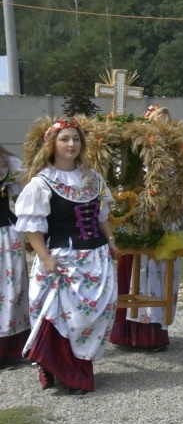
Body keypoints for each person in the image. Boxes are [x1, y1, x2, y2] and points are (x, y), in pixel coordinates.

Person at [15, 117, 118, 394]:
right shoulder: (42, 182)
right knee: (63, 315)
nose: (71, 144)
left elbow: (101, 215)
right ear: (52, 144)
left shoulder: (92, 177)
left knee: (93, 316)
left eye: (75, 139)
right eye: (65, 139)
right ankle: (65, 372)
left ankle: (78, 368)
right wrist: (46, 257)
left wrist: (111, 241)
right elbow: (33, 228)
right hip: (62, 259)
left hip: (96, 257)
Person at [110, 104, 182, 352]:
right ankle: (129, 332)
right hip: (138, 216)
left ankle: (153, 332)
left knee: (159, 274)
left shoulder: (172, 158)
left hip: (162, 219)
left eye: (164, 125)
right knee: (135, 273)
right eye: (155, 125)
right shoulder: (137, 156)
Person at [0, 143, 30, 365]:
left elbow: (22, 203)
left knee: (10, 288)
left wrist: (32, 234)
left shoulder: (8, 163)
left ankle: (9, 348)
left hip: (5, 235)